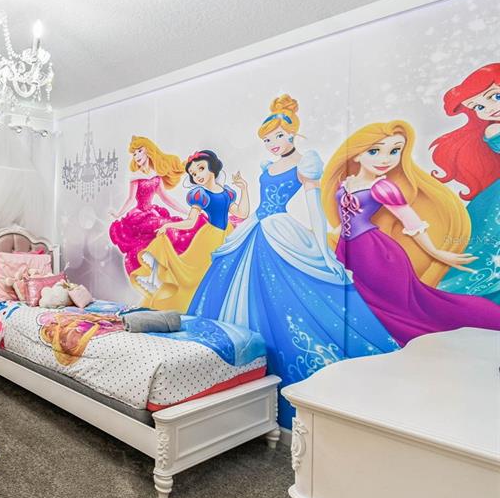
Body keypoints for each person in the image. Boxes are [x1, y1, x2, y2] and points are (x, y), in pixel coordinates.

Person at [188, 96, 397, 423]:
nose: (273, 144)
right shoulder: (267, 166)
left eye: (279, 137)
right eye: (267, 139)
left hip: (279, 231)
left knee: (287, 304)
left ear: (293, 134)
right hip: (256, 228)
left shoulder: (306, 164)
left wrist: (324, 251)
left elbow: (315, 209)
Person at [322, 120, 500, 345]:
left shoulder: (383, 187)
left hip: (376, 254)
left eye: (394, 151)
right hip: (349, 250)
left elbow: (411, 221)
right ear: (356, 155)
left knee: (388, 304)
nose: (385, 159)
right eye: (374, 151)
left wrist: (435, 252)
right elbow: (344, 221)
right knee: (363, 299)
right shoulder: (346, 183)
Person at [132, 150, 246, 311]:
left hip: (226, 235)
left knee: (219, 276)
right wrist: (168, 226)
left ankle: (210, 310)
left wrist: (244, 189)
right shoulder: (200, 195)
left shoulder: (227, 193)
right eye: (193, 173)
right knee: (197, 275)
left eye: (201, 168)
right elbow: (190, 222)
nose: (197, 175)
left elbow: (242, 213)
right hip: (209, 238)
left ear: (212, 167)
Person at [430, 63, 500, 303]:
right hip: (495, 204)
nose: (489, 109)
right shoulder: (494, 130)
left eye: (495, 97)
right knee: (485, 250)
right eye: (479, 106)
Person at [109, 136, 204, 277]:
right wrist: (118, 214)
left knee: (174, 227)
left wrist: (186, 212)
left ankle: (173, 266)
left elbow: (166, 198)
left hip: (152, 213)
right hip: (139, 215)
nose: (136, 156)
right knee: (166, 228)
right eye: (134, 154)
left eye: (139, 151)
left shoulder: (156, 176)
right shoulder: (135, 176)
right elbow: (130, 199)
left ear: (148, 151)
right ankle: (159, 268)